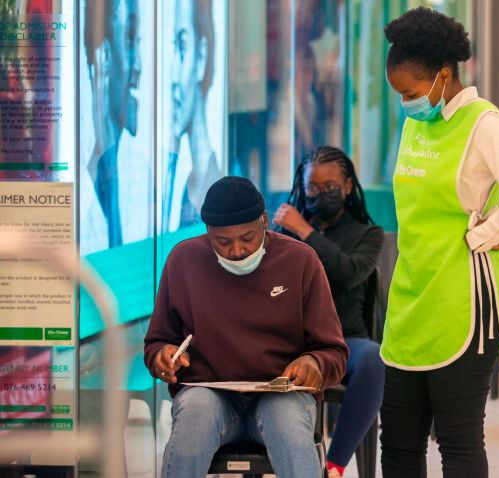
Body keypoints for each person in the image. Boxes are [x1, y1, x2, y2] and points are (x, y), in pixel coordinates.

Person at [380, 8, 499, 477]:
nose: (405, 104)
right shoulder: (417, 121)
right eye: (400, 95)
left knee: (457, 441)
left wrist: (485, 233)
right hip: (410, 299)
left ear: (444, 76)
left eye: (411, 93)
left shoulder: (484, 124)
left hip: (463, 305)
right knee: (395, 441)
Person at [143, 176, 349, 478]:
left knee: (288, 420)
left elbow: (335, 353)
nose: (237, 250)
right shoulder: (183, 261)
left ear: (264, 221)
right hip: (209, 394)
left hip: (281, 394)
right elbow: (156, 342)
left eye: (248, 238)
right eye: (222, 242)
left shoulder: (300, 261)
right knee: (195, 414)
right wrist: (162, 356)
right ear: (208, 233)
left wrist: (314, 362)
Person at [273, 146, 385, 478]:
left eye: (330, 187)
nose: (320, 195)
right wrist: (289, 230)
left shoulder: (368, 235)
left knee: (375, 359)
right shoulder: (284, 233)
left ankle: (334, 466)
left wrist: (305, 232)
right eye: (312, 188)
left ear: (348, 186)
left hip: (346, 340)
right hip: (291, 342)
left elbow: (349, 272)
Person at [83, 0, 142, 247]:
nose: (138, 67)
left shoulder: (143, 172)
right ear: (104, 59)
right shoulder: (74, 179)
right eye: (129, 44)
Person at [163, 0, 223, 230]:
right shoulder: (187, 183)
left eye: (182, 47)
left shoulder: (214, 183)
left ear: (201, 57)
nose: (173, 77)